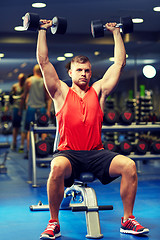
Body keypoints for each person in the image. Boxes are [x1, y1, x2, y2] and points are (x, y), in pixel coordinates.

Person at [36, 19, 149, 239]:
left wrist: (117, 32)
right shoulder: (60, 92)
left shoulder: (98, 91)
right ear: (70, 73)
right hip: (69, 154)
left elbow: (118, 64)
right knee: (56, 167)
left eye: (87, 70)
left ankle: (127, 219)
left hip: (96, 153)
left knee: (129, 166)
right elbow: (43, 60)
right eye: (79, 70)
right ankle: (54, 222)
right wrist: (42, 30)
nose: (84, 74)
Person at [20, 64, 52, 158]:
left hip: (31, 108)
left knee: (30, 130)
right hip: (42, 108)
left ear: (34, 71)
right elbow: (48, 98)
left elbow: (24, 96)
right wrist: (48, 110)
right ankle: (43, 151)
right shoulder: (44, 81)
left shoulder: (29, 81)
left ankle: (30, 152)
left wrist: (21, 108)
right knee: (43, 130)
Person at [9, 73, 26, 151]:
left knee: (24, 128)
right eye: (20, 78)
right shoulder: (15, 86)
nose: (21, 80)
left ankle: (22, 145)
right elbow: (11, 98)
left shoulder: (26, 86)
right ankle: (14, 143)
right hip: (16, 108)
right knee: (16, 127)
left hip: (24, 109)